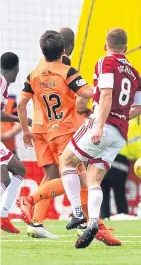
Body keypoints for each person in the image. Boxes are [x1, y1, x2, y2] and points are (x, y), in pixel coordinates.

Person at [17, 30, 122, 246]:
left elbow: (21, 102)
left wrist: (26, 129)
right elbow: (86, 94)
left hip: (44, 128)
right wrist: (106, 90)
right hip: (65, 130)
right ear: (67, 47)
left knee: (60, 175)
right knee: (80, 179)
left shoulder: (36, 71)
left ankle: (42, 221)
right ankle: (31, 200)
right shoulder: (66, 70)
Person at [59, 27, 141, 248]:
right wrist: (119, 116)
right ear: (125, 48)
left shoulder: (105, 62)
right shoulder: (135, 73)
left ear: (106, 45)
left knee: (66, 160)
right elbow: (140, 107)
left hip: (103, 125)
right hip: (119, 134)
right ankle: (93, 222)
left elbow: (105, 94)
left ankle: (78, 213)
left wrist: (98, 125)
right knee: (93, 179)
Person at [22, 27, 76, 238]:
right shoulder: (63, 65)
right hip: (54, 127)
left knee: (52, 174)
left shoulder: (41, 64)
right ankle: (86, 219)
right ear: (68, 46)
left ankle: (36, 222)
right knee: (74, 173)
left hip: (38, 125)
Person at [0, 52, 27, 234]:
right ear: (16, 68)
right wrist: (22, 120)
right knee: (6, 176)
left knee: (18, 170)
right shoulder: (1, 81)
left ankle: (3, 216)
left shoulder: (4, 84)